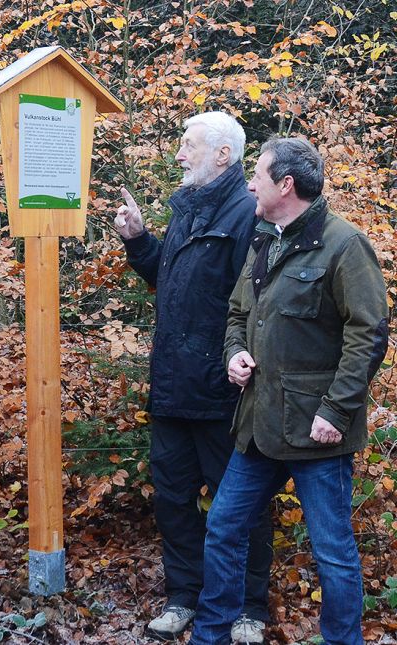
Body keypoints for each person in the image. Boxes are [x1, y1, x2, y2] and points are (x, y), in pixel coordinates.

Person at [188, 137, 389, 645]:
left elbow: (369, 333)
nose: (249, 183)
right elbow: (238, 313)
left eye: (258, 174)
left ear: (286, 184)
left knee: (333, 552)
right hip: (258, 426)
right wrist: (236, 353)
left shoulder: (345, 245)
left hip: (317, 433)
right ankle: (211, 636)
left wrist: (337, 411)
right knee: (224, 529)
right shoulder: (264, 238)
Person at [113, 112, 272, 642]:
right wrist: (139, 242)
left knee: (240, 502)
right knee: (173, 498)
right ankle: (184, 596)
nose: (178, 155)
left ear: (223, 155)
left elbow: (257, 306)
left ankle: (250, 607)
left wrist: (242, 366)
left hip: (225, 392)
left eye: (188, 145)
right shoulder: (187, 209)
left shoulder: (249, 212)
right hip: (173, 390)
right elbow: (172, 282)